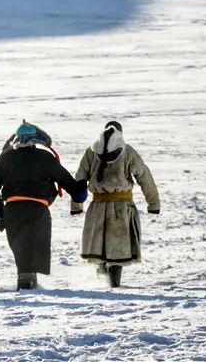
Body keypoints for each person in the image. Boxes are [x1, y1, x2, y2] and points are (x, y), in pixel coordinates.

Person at [0, 120, 88, 290]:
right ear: (35, 140)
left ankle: (25, 278)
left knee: (19, 245)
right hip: (38, 209)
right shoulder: (45, 157)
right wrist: (78, 192)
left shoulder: (7, 157)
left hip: (13, 209)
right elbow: (65, 179)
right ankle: (29, 280)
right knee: (34, 244)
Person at [72, 121, 160, 287]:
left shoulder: (91, 152)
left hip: (97, 207)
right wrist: (153, 204)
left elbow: (79, 180)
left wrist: (76, 206)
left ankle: (103, 283)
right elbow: (144, 176)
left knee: (99, 248)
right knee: (117, 248)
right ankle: (113, 284)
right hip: (121, 207)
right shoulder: (127, 151)